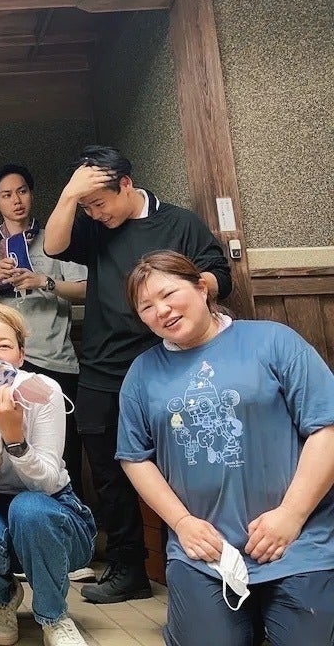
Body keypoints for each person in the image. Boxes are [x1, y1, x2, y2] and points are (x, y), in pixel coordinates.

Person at [43, 145, 232, 604]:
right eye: (86, 206)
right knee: (108, 471)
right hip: (103, 365)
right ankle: (128, 567)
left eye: (98, 202)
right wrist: (70, 195)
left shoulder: (179, 222)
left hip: (171, 364)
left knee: (184, 462)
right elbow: (53, 246)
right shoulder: (93, 226)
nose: (94, 213)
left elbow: (219, 276)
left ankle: (194, 564)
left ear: (125, 184)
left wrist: (177, 291)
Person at [117, 251, 334, 646]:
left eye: (168, 294)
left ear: (202, 287)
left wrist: (292, 514)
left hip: (299, 541)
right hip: (204, 552)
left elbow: (326, 427)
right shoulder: (142, 373)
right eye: (146, 307)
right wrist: (182, 523)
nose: (161, 311)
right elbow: (135, 458)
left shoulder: (273, 340)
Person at [0, 302, 97, 646]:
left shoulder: (43, 391)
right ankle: (2, 597)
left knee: (29, 507)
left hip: (54, 512)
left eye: (5, 346)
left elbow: (47, 482)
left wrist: (14, 439)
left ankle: (54, 615)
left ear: (21, 355)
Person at [0, 164, 88, 507]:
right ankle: (7, 517)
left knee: (62, 450)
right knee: (1, 443)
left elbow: (86, 289)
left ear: (31, 195)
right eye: (6, 195)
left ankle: (67, 517)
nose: (16, 200)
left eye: (22, 191)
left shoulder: (57, 241)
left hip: (54, 358)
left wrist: (44, 281)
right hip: (1, 363)